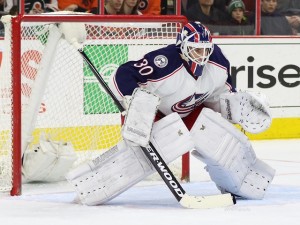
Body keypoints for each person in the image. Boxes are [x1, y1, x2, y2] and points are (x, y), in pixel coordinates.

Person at [66, 21, 275, 206]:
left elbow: (219, 100)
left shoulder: (218, 63)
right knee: (159, 147)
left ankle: (245, 182)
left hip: (189, 113)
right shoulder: (164, 62)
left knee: (212, 130)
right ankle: (93, 184)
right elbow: (122, 74)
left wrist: (234, 109)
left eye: (205, 50)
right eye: (196, 50)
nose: (202, 56)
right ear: (182, 47)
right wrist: (135, 106)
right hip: (152, 115)